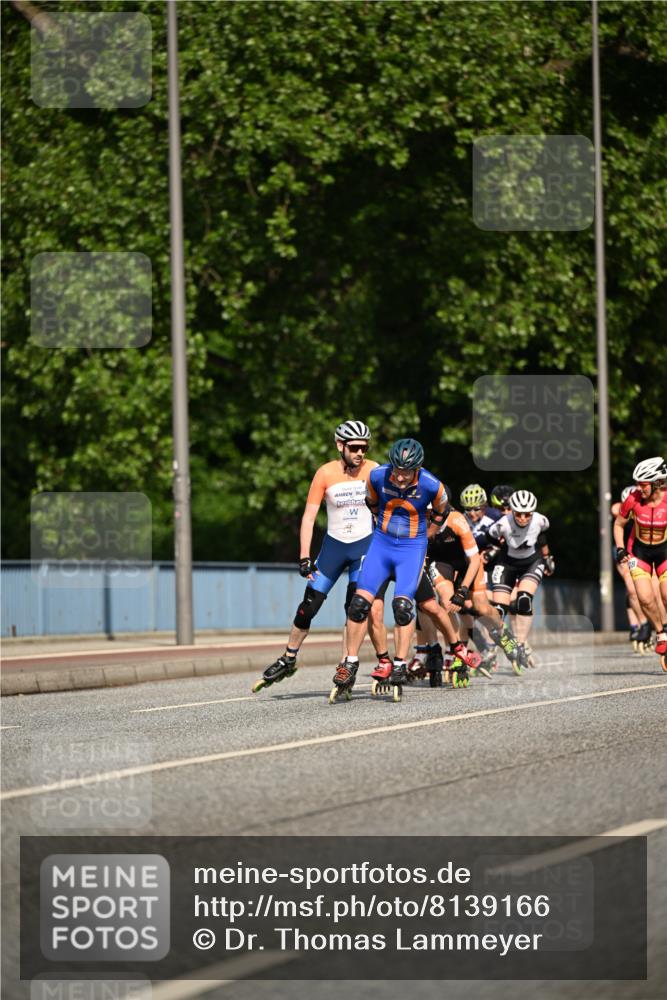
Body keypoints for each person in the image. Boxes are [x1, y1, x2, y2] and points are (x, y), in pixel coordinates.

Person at [253, 420, 389, 692]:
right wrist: (304, 556)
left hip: (364, 546)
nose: (360, 452)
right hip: (334, 547)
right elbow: (309, 517)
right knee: (308, 607)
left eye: (364, 447)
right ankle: (289, 658)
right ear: (340, 446)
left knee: (355, 608)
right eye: (354, 447)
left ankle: (345, 665)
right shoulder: (325, 473)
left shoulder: (375, 471)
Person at [332, 438, 449, 701]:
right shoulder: (377, 476)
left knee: (403, 608)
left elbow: (442, 513)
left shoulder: (432, 485)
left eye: (406, 472)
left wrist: (424, 536)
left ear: (418, 469)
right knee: (359, 604)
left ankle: (399, 664)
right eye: (396, 469)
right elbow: (372, 505)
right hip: (382, 545)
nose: (400, 476)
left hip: (411, 549)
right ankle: (349, 663)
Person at [426, 491, 520, 676]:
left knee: (481, 608)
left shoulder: (457, 520)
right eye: (425, 512)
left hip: (468, 563)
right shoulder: (418, 521)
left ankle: (502, 630)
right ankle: (457, 651)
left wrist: (462, 590)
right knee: (446, 604)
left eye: (431, 512)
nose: (428, 516)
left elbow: (475, 560)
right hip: (442, 563)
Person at [486, 490, 555, 669]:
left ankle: (522, 643)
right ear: (512, 511)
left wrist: (547, 558)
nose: (523, 518)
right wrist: (492, 549)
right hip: (507, 564)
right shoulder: (502, 524)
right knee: (498, 611)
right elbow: (489, 537)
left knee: (524, 600)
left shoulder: (541, 520)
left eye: (527, 514)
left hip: (531, 562)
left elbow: (542, 537)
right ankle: (508, 641)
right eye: (519, 514)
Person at [613, 457, 667, 669]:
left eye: (643, 484)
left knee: (665, 594)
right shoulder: (633, 500)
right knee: (644, 598)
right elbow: (619, 524)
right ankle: (660, 633)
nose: (639, 488)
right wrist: (620, 548)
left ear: (656, 483)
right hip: (639, 552)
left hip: (664, 550)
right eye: (637, 483)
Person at [611, 485, 650, 652]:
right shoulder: (624, 509)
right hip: (625, 553)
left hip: (644, 551)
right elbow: (614, 510)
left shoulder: (648, 508)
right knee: (631, 589)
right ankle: (639, 625)